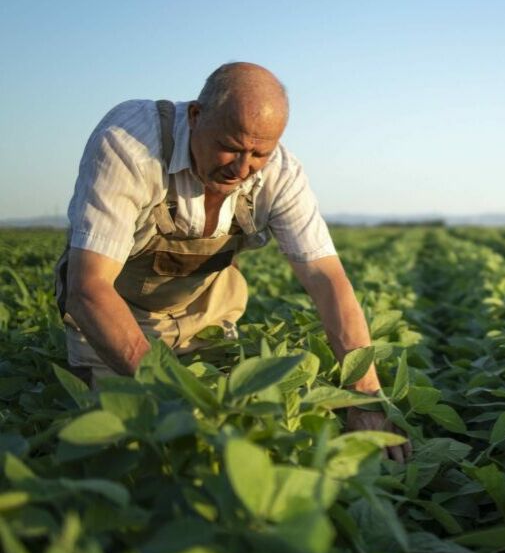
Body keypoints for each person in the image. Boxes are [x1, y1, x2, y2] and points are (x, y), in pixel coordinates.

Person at [55, 62, 410, 462]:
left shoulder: (281, 173)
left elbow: (327, 280)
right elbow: (88, 290)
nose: (242, 168)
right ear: (195, 116)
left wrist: (364, 399)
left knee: (238, 443)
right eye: (231, 146)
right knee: (130, 449)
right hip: (114, 318)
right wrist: (177, 397)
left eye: (259, 153)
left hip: (206, 316)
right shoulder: (129, 144)